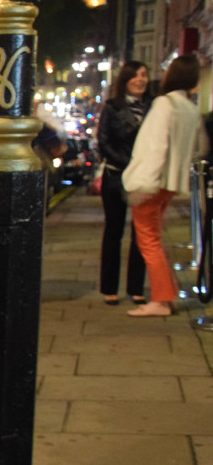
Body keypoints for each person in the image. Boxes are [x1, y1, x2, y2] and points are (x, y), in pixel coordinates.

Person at [122, 53, 206, 317]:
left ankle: (160, 300)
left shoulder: (164, 104)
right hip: (170, 182)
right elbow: (197, 148)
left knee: (148, 240)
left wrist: (142, 181)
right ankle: (165, 296)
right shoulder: (190, 108)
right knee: (154, 238)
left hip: (152, 181)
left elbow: (154, 146)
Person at [94, 60, 152, 306]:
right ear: (125, 80)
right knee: (114, 230)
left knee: (141, 233)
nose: (141, 80)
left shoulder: (152, 107)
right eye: (135, 76)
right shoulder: (112, 107)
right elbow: (103, 142)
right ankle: (109, 288)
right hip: (117, 175)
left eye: (144, 75)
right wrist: (128, 163)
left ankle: (136, 288)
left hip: (144, 177)